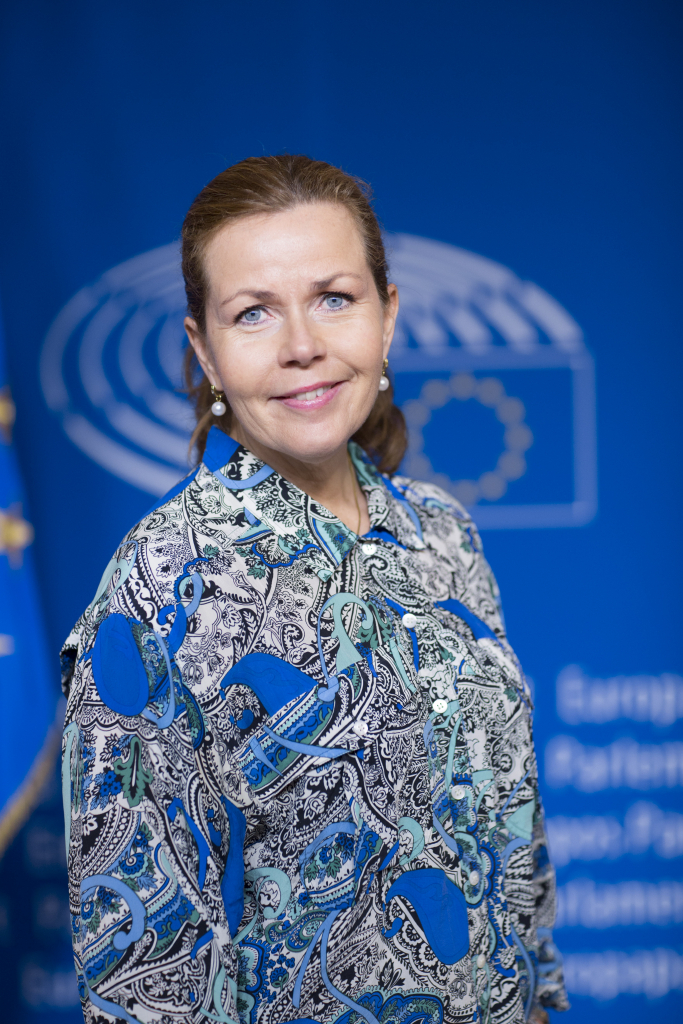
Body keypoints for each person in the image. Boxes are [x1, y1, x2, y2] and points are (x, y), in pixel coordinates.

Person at [61, 155, 568, 1024]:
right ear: (205, 351)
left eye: (334, 298)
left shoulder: (442, 532)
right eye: (253, 312)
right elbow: (140, 965)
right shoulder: (162, 579)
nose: (302, 344)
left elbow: (513, 839)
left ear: (386, 315)